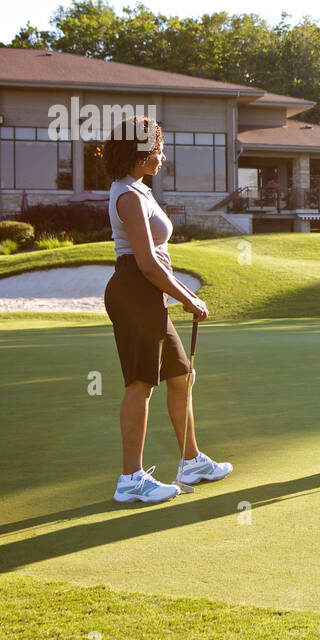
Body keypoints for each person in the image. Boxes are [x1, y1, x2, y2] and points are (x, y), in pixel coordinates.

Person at [102, 116, 232, 502]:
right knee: (141, 385)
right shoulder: (126, 196)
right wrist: (188, 297)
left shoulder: (139, 190)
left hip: (148, 296)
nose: (162, 156)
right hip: (134, 292)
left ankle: (191, 460)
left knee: (179, 376)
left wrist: (173, 296)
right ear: (139, 154)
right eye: (157, 150)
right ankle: (131, 479)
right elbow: (146, 263)